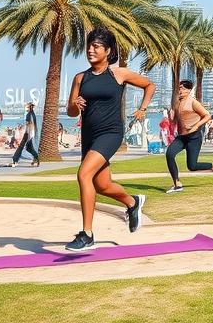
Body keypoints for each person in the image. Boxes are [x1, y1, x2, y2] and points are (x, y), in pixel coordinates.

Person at [63, 27, 154, 252]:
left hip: (111, 133)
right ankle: (133, 203)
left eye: (96, 47)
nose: (90, 50)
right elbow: (71, 112)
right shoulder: (80, 78)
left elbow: (149, 85)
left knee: (83, 174)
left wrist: (143, 108)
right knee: (101, 185)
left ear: (108, 50)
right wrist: (75, 105)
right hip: (89, 136)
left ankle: (87, 234)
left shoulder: (118, 74)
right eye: (89, 46)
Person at [164, 79, 213, 193]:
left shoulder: (193, 102)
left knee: (192, 166)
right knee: (169, 154)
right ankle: (177, 184)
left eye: (182, 88)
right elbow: (174, 120)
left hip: (194, 137)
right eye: (179, 88)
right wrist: (170, 115)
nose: (180, 90)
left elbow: (207, 115)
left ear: (189, 90)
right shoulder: (176, 103)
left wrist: (196, 126)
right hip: (182, 137)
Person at [11, 101, 41, 167]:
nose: (26, 108)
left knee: (21, 147)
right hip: (30, 133)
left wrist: (24, 128)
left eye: (27, 107)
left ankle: (15, 160)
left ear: (29, 107)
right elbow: (31, 124)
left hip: (28, 133)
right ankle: (37, 158)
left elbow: (30, 124)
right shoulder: (32, 114)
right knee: (29, 148)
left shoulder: (29, 115)